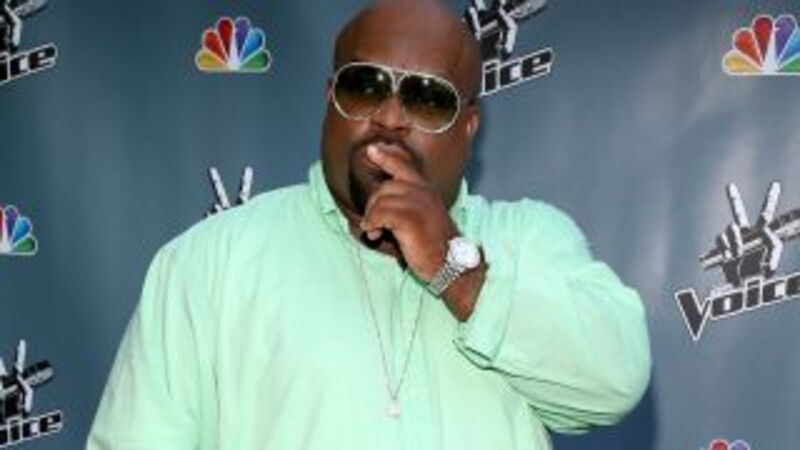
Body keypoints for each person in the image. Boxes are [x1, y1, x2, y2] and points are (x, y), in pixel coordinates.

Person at [86, 1, 651, 448]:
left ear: (468, 127)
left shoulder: (531, 240)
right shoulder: (208, 264)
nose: (390, 117)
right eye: (365, 86)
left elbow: (614, 382)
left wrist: (457, 271)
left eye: (428, 99)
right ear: (330, 99)